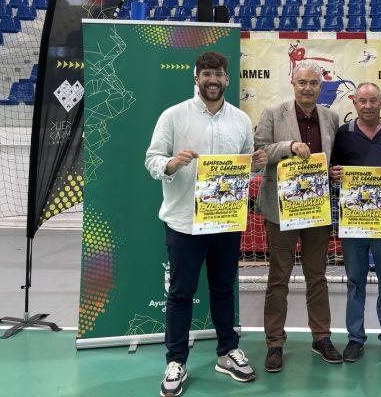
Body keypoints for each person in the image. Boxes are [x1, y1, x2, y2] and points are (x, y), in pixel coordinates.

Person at [145, 51, 268, 397]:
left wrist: (256, 164)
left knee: (224, 289)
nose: (213, 80)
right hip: (184, 223)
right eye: (206, 74)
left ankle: (227, 352)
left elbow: (245, 169)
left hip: (226, 223)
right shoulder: (173, 116)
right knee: (181, 293)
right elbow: (152, 159)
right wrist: (171, 164)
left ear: (227, 79)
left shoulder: (241, 120)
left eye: (219, 74)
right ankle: (176, 361)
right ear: (196, 77)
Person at [255, 60, 341, 372]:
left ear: (321, 87)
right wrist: (288, 146)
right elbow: (259, 153)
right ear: (293, 84)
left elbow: (335, 160)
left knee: (317, 276)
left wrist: (336, 172)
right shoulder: (272, 113)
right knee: (278, 277)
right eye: (302, 82)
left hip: (316, 209)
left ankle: (321, 337)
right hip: (280, 210)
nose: (307, 88)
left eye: (313, 83)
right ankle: (274, 342)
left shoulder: (331, 117)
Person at [330, 82, 381, 363]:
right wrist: (333, 174)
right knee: (355, 282)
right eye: (363, 101)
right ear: (354, 103)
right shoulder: (343, 134)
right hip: (354, 222)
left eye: (373, 100)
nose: (368, 106)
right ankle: (355, 338)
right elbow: (331, 171)